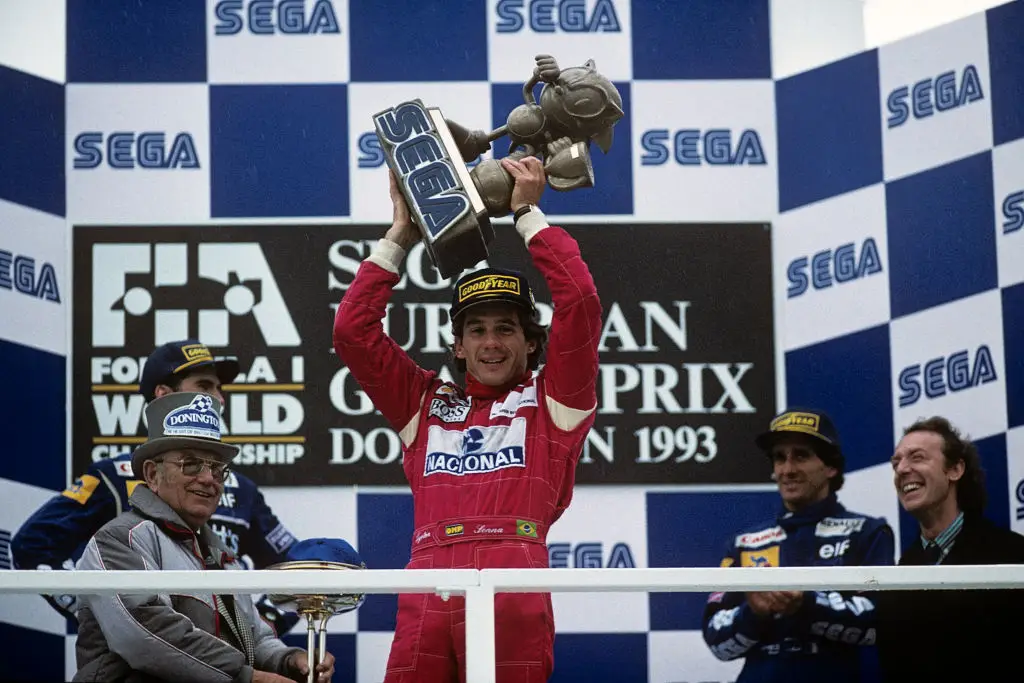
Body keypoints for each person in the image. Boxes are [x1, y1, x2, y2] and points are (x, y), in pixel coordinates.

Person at [332, 158, 602, 682]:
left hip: (512, 586)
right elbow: (352, 332)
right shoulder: (422, 403)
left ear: (531, 342)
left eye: (506, 328)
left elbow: (581, 302)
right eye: (475, 330)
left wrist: (527, 214)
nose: (491, 342)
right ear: (458, 345)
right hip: (428, 585)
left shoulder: (554, 401)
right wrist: (400, 234)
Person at [11, 340, 300, 635]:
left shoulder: (241, 488)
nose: (219, 398)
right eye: (205, 386)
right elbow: (31, 547)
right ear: (163, 394)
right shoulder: (114, 477)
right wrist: (94, 611)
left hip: (225, 666)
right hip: (143, 657)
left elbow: (293, 564)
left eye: (219, 389)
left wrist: (268, 622)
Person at [72, 392, 334, 683]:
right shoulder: (119, 540)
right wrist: (247, 677)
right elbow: (145, 637)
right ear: (152, 474)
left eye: (218, 469)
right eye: (191, 464)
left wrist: (291, 661)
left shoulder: (221, 555)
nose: (209, 479)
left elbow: (255, 638)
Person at [702, 408, 896, 683]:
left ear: (830, 466)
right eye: (779, 458)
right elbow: (716, 641)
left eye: (801, 456)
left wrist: (807, 603)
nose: (787, 469)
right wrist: (754, 613)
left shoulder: (868, 533)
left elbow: (881, 624)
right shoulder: (744, 544)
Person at [875, 416, 1024, 681]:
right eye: (896, 463)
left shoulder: (1013, 556)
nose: (902, 469)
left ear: (955, 469)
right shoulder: (899, 575)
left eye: (917, 457)